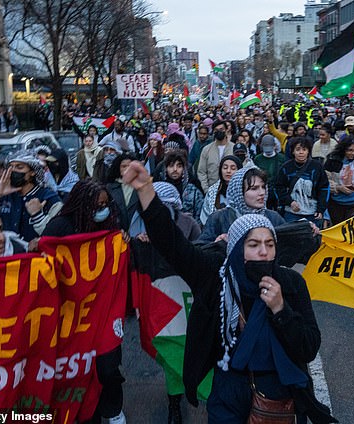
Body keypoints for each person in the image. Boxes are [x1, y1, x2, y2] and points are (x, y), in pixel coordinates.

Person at [121, 160, 336, 423]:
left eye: (270, 244)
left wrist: (281, 310)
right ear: (235, 249)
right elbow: (172, 244)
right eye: (253, 244)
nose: (263, 252)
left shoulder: (289, 283)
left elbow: (309, 347)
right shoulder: (215, 277)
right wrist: (145, 190)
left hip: (279, 390)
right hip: (228, 388)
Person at [42, 180, 126, 424]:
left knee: (107, 368)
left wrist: (126, 240)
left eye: (104, 204)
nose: (102, 209)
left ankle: (113, 410)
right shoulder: (59, 227)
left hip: (103, 310)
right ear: (81, 204)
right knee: (76, 370)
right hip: (70, 314)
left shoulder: (111, 224)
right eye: (96, 205)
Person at [0, 150, 63, 242]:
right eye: (11, 167)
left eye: (19, 167)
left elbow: (57, 235)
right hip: (6, 253)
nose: (13, 170)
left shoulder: (49, 198)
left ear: (32, 172)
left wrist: (37, 215)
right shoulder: (2, 195)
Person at [198, 165, 285, 245]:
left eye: (263, 187)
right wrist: (217, 244)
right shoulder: (219, 218)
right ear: (238, 192)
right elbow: (202, 249)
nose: (262, 193)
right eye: (254, 188)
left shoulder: (274, 218)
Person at [275, 137, 329, 226]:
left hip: (312, 213)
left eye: (304, 149)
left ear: (308, 151)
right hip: (291, 213)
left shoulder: (317, 167)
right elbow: (279, 187)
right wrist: (290, 202)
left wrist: (321, 209)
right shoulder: (286, 167)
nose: (301, 152)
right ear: (293, 151)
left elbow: (324, 188)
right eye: (298, 149)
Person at [324, 136, 354, 226]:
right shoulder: (332, 161)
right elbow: (325, 181)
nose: (353, 153)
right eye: (349, 150)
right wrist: (338, 187)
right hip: (337, 204)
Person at [154, 149, 204, 223]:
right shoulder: (158, 190)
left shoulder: (193, 191)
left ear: (184, 169)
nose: (175, 169)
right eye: (171, 166)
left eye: (179, 166)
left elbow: (200, 216)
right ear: (166, 168)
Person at [200, 156, 243, 225]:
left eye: (233, 168)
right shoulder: (212, 191)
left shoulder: (244, 191)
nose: (228, 171)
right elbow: (205, 216)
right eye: (225, 168)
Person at [197, 120, 234, 192]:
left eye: (221, 129)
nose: (219, 132)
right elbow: (202, 172)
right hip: (211, 190)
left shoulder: (233, 148)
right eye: (216, 130)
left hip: (231, 190)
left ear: (226, 130)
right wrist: (206, 190)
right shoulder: (206, 149)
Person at [253, 135, 286, 210]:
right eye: (265, 146)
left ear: (274, 146)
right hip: (263, 190)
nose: (267, 149)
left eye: (270, 146)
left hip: (277, 191)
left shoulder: (281, 158)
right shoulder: (258, 159)